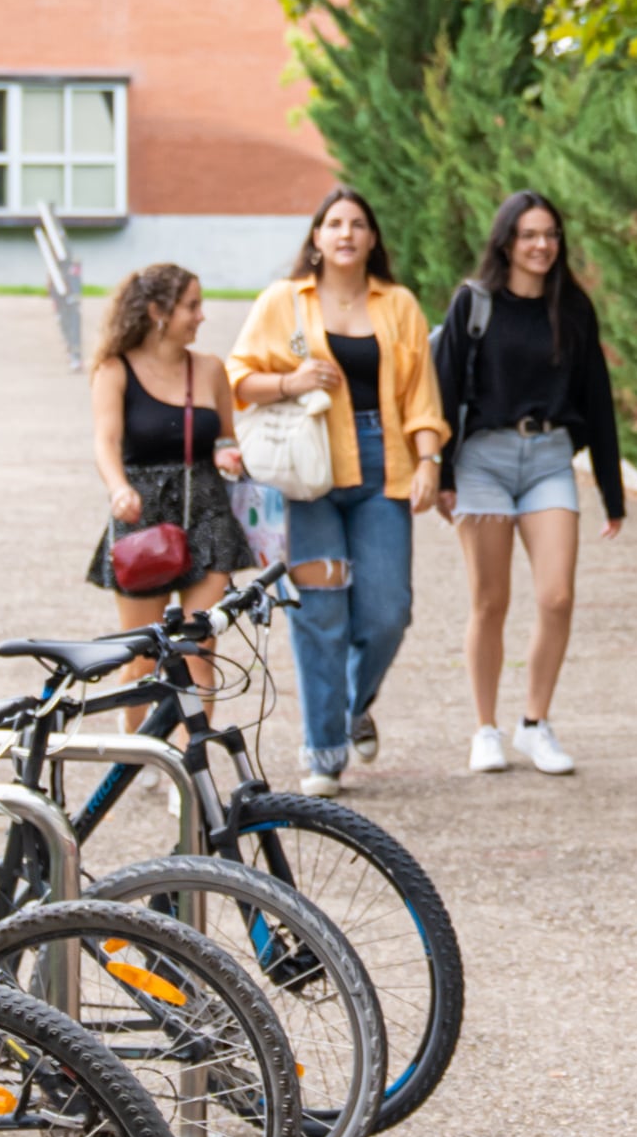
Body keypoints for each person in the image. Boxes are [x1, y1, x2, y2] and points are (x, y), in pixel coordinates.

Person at [226, 187, 450, 791]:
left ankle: (352, 707)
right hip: (307, 470)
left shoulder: (399, 304)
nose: (346, 233)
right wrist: (291, 380)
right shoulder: (283, 301)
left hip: (385, 465)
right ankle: (324, 750)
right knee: (320, 613)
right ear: (316, 239)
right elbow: (237, 378)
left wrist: (430, 460)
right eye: (334, 224)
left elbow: (421, 395)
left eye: (358, 224)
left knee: (387, 611)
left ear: (373, 238)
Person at [435, 188, 628, 775]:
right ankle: (485, 729)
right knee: (490, 601)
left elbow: (598, 400)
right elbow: (443, 392)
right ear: (507, 241)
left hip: (547, 458)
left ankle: (535, 724)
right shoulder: (474, 303)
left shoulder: (573, 308)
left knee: (557, 596)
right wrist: (442, 474)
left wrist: (611, 491)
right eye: (529, 235)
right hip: (483, 461)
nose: (542, 245)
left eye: (550, 235)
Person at [86, 261, 252, 653]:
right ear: (157, 312)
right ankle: (137, 718)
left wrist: (228, 454)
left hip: (207, 513)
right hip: (141, 517)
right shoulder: (115, 370)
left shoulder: (211, 369)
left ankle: (195, 719)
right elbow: (105, 442)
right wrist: (117, 489)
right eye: (191, 306)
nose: (202, 315)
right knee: (143, 656)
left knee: (199, 651)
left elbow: (226, 438)